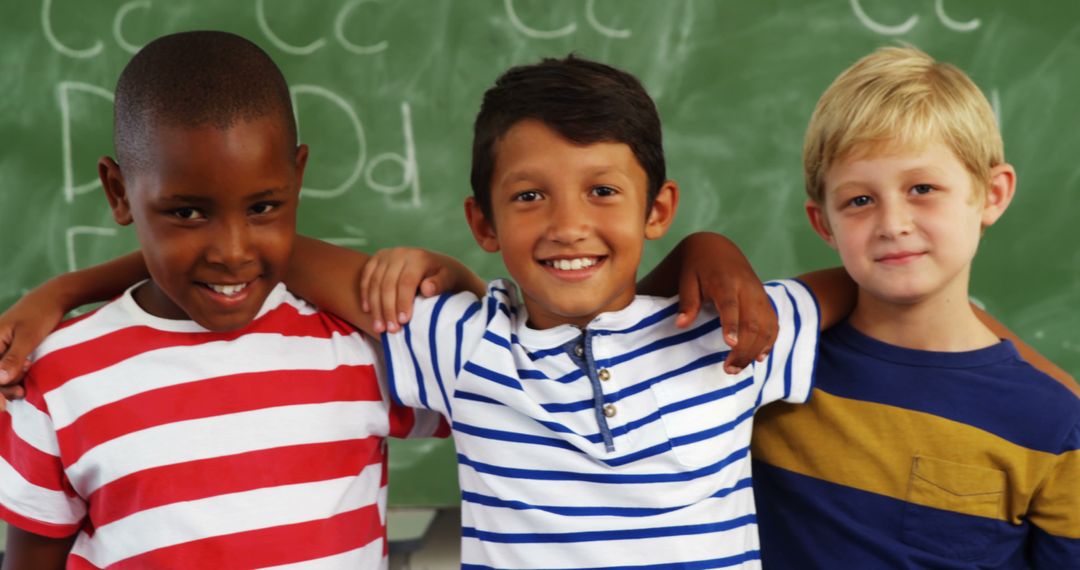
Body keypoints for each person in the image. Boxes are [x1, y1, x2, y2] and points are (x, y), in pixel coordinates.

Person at [354, 55, 855, 569]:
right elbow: (298, 257)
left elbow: (866, 282)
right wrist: (443, 274)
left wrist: (708, 247)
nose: (568, 226)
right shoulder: (469, 346)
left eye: (602, 191)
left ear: (657, 210)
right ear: (484, 224)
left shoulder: (733, 328)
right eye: (529, 195)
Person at [0, 31, 453, 569]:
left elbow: (497, 385)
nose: (233, 252)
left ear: (298, 178)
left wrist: (454, 277)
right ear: (119, 192)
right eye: (188, 213)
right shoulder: (58, 376)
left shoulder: (358, 348)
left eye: (262, 207)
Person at [750, 46, 1080, 569]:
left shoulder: (1053, 424)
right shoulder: (769, 371)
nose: (893, 224)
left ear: (992, 194)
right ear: (823, 223)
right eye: (860, 200)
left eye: (922, 188)